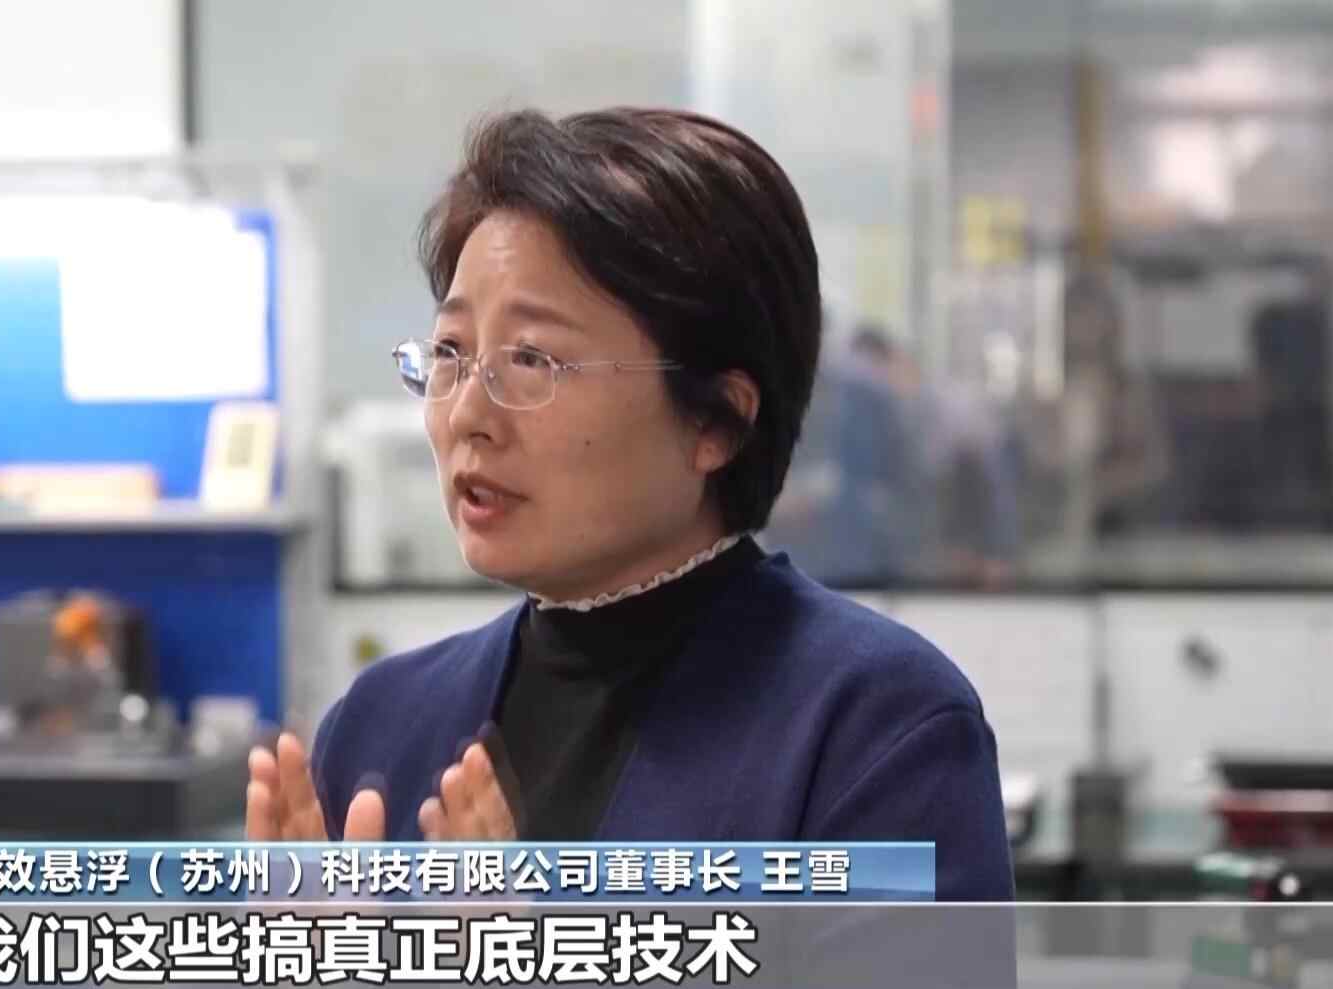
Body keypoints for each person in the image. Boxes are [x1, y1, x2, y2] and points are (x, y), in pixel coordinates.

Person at [246, 107, 1014, 901]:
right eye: (450, 351)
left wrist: (516, 955)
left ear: (717, 420)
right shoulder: (378, 727)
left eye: (532, 358)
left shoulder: (877, 728)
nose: (468, 413)